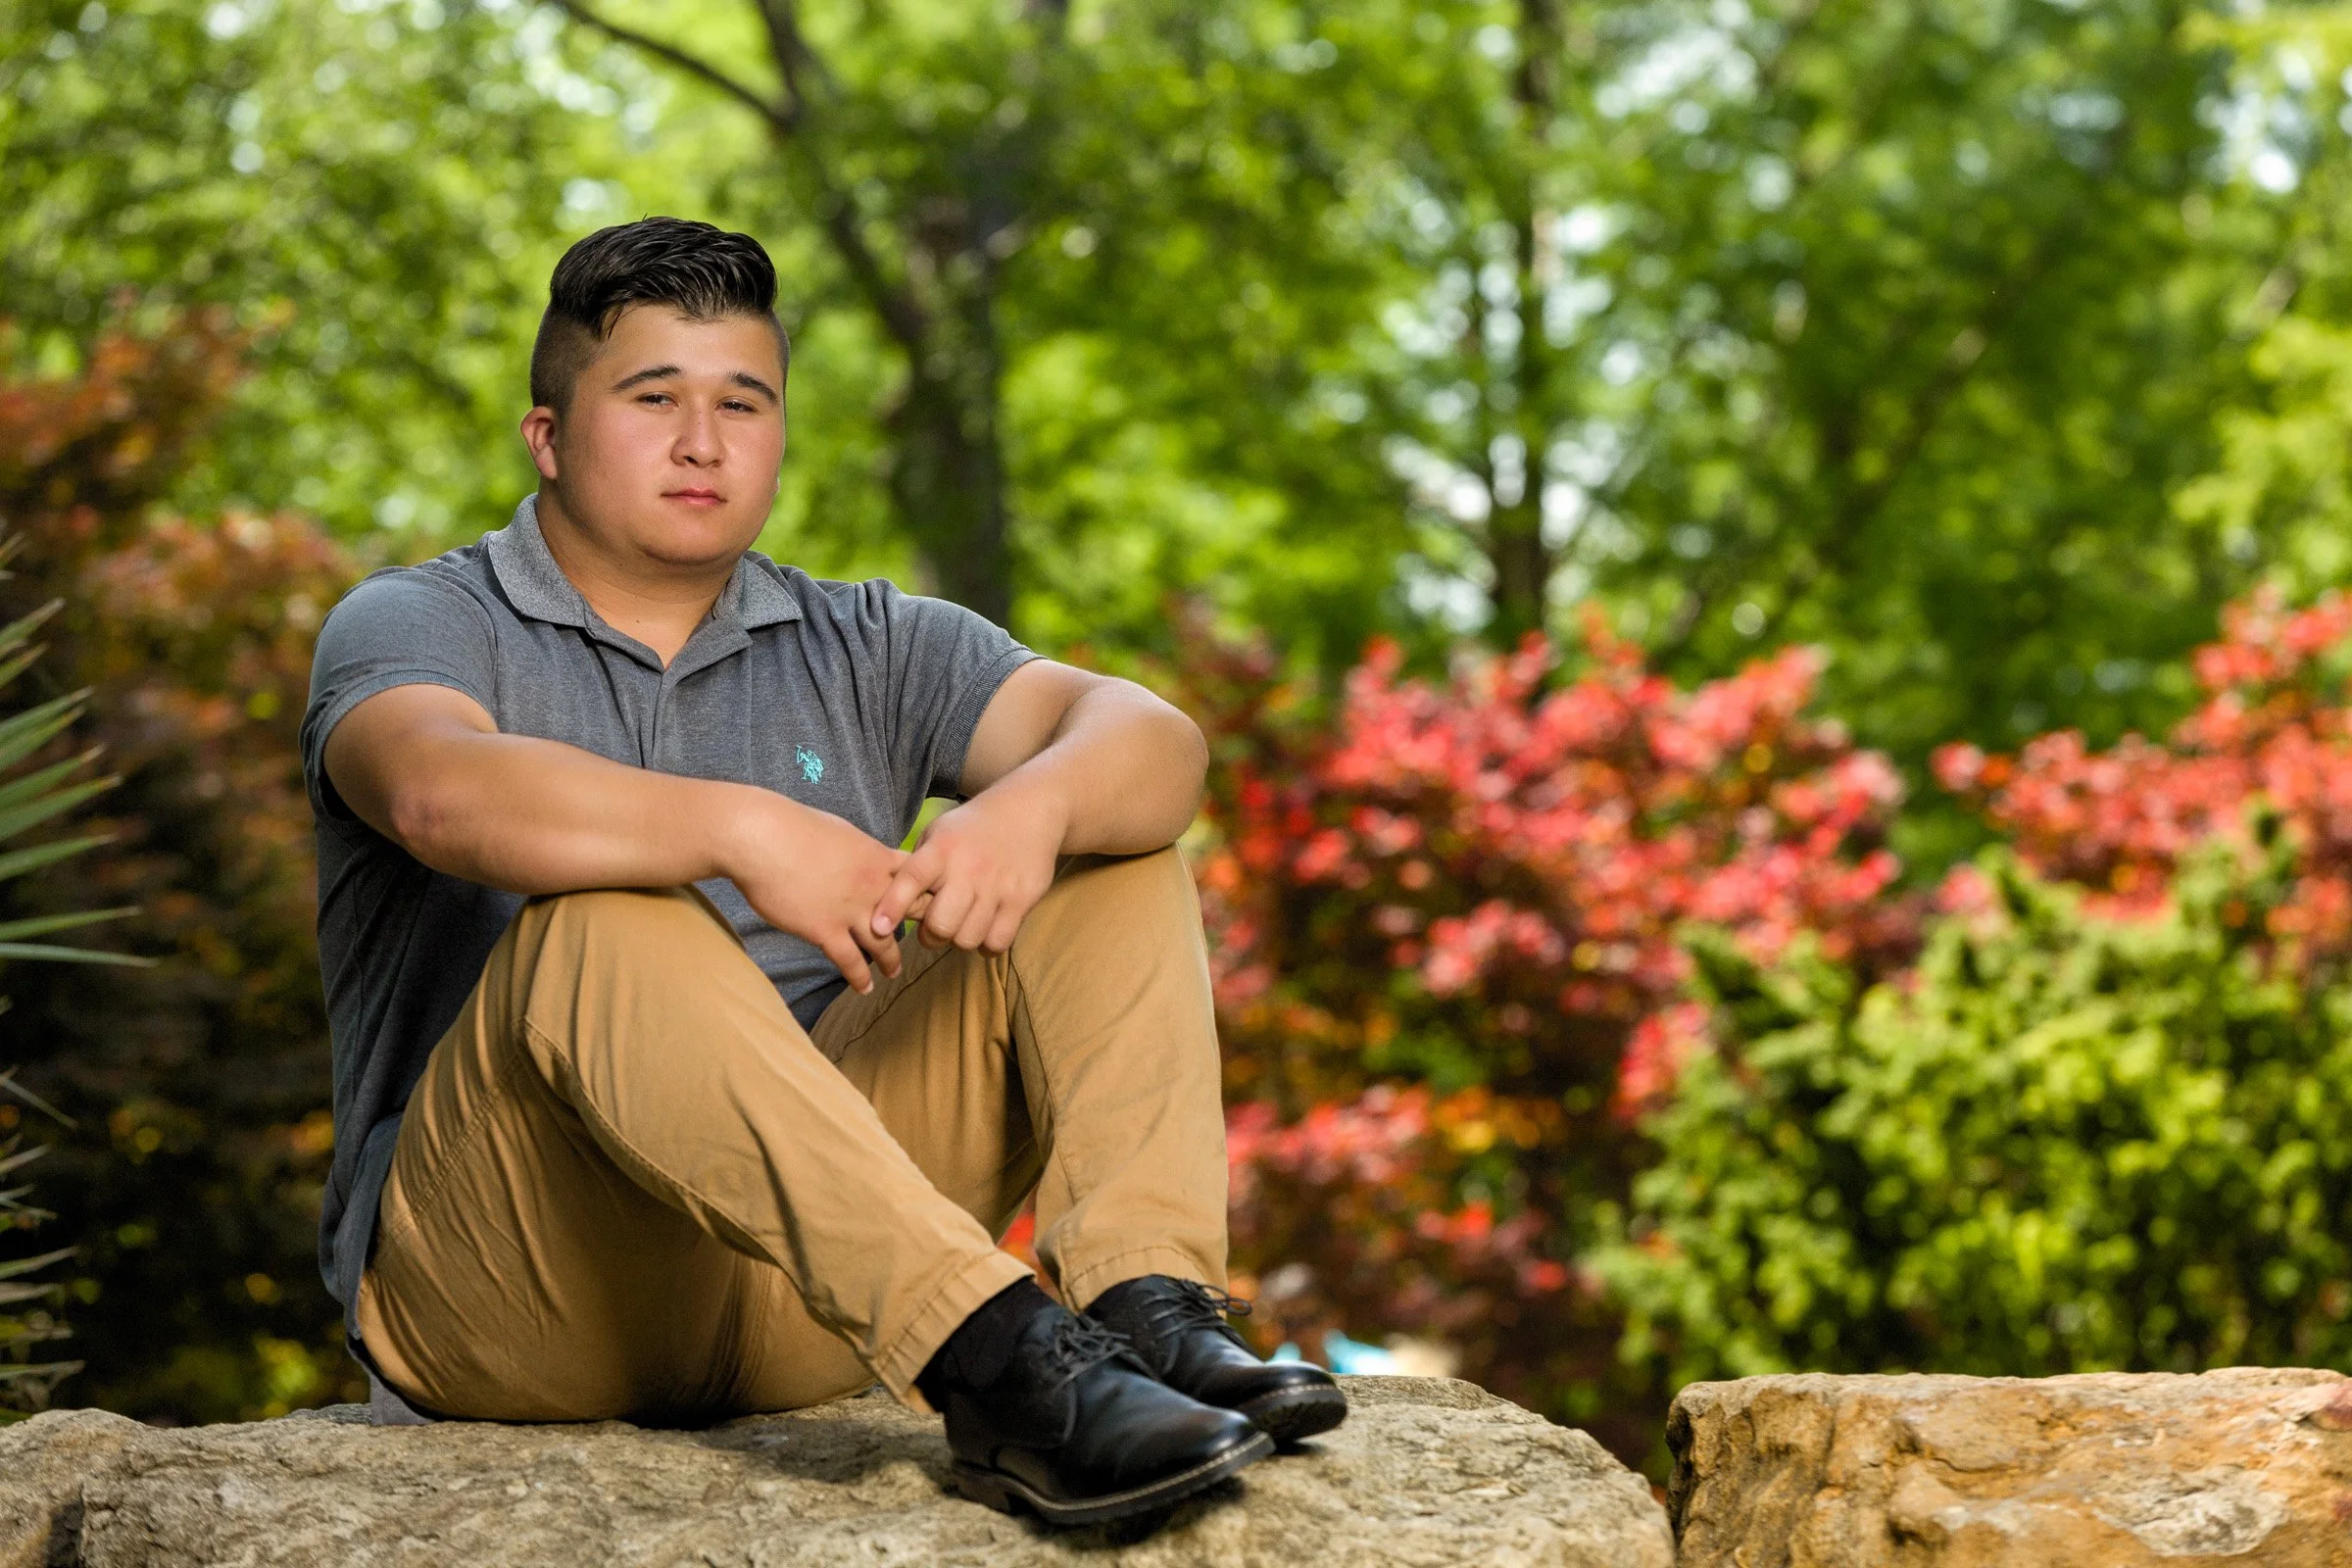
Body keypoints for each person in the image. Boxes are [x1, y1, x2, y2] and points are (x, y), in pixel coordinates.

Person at [300, 217, 1344, 1528]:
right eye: (652, 398)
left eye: (744, 401)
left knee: (1104, 846)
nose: (704, 440)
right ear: (548, 437)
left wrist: (1028, 812)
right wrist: (742, 827)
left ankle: (1146, 1310)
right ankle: (1000, 1362)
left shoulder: (868, 640)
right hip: (523, 1287)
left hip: (821, 1285)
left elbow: (1157, 746)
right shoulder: (418, 621)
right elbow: (434, 790)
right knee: (608, 918)